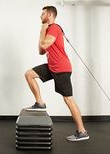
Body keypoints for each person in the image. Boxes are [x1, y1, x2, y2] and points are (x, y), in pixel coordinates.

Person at [24, 6, 89, 142]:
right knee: (29, 74)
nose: (40, 16)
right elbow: (41, 50)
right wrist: (42, 30)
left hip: (61, 68)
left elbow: (44, 44)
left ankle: (82, 131)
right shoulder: (47, 29)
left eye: (43, 14)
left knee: (68, 99)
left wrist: (42, 30)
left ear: (50, 15)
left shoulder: (54, 28)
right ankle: (40, 103)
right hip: (52, 66)